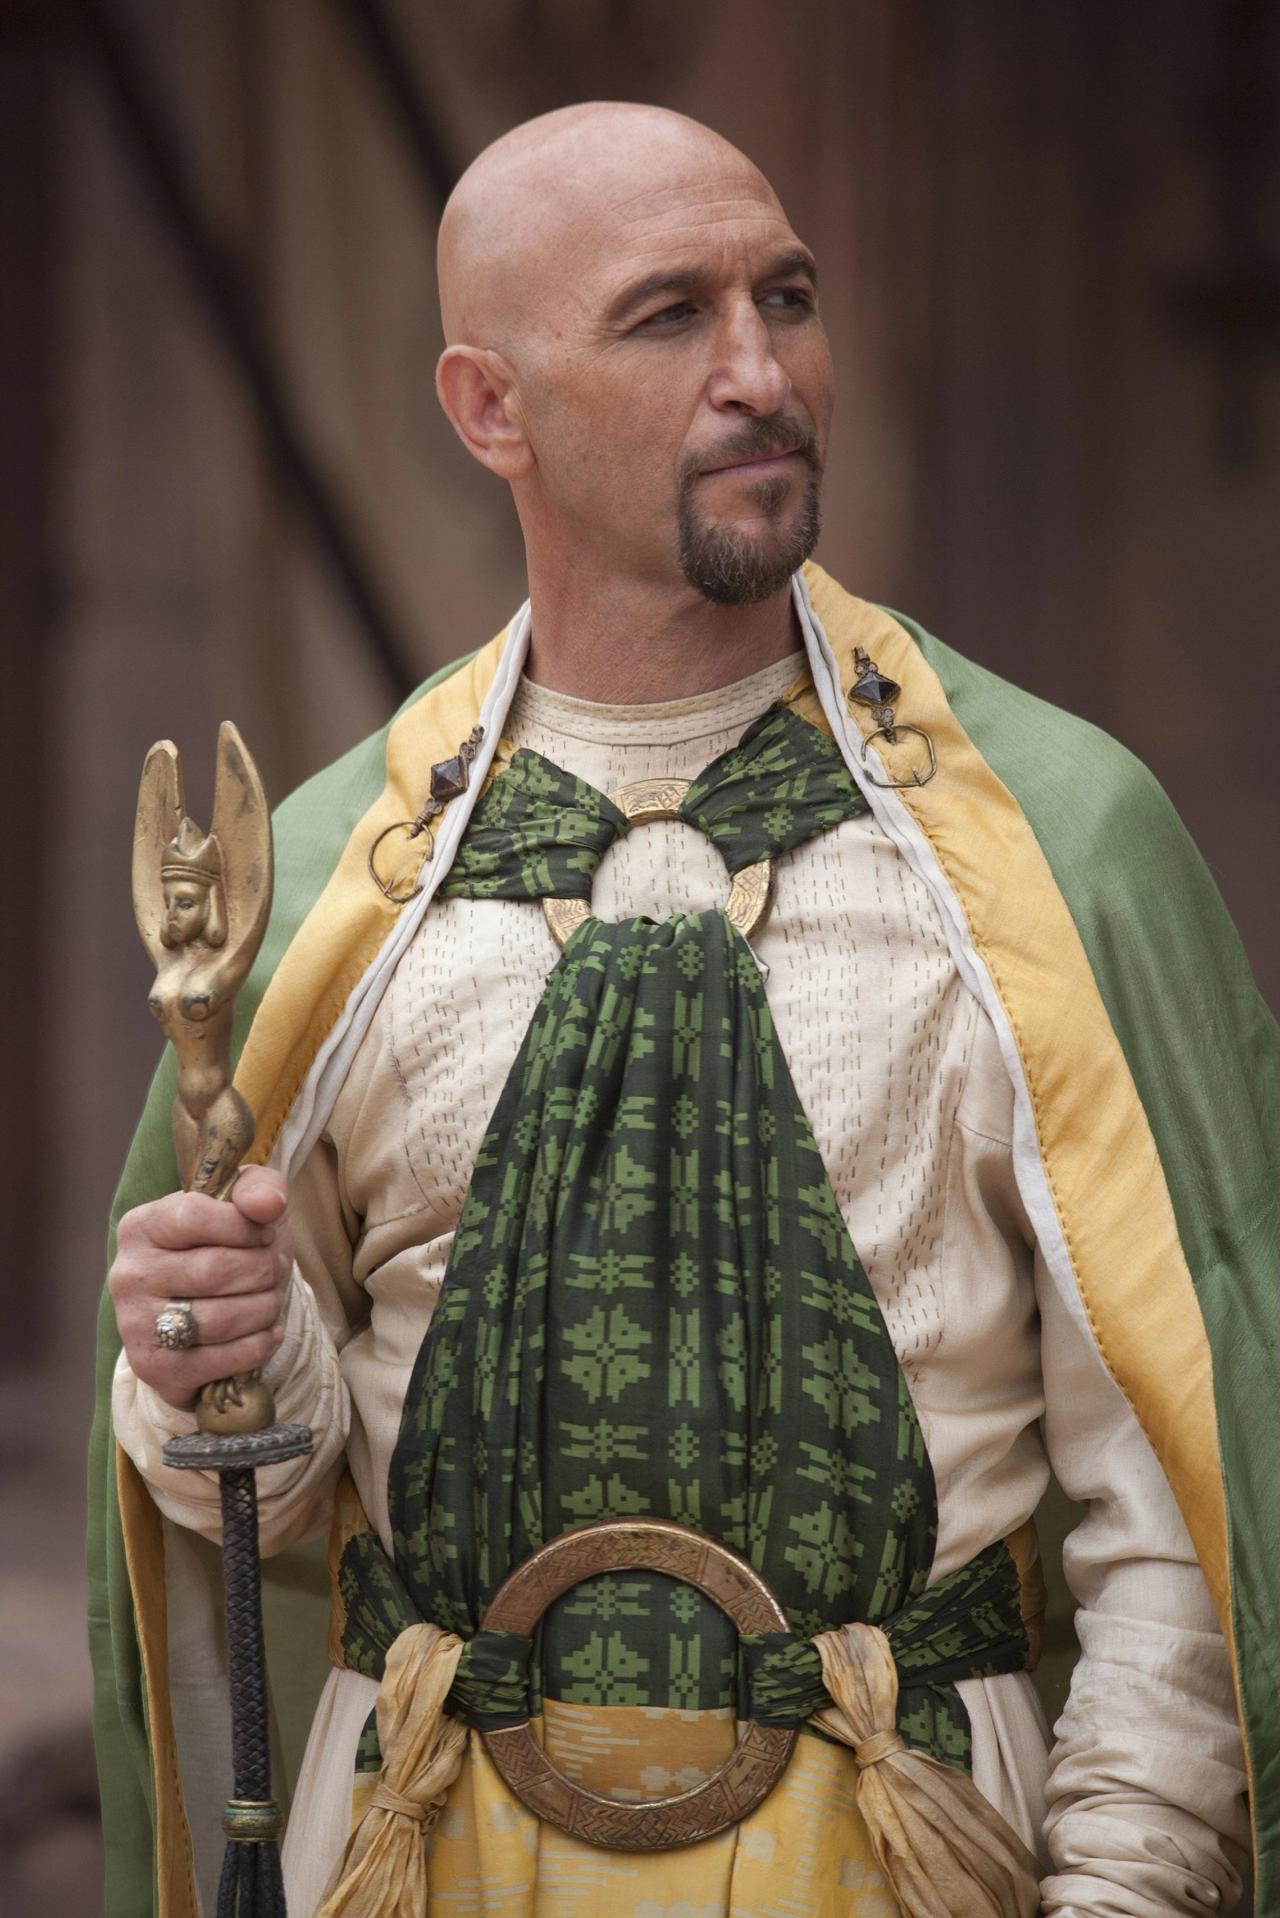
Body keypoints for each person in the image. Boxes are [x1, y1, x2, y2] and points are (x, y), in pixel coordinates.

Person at [91, 103, 1277, 1918]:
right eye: (669, 317)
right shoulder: (341, 888)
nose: (762, 373)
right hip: (421, 1856)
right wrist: (210, 1366)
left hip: (911, 1852)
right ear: (490, 408)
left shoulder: (1046, 851)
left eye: (786, 298)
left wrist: (1122, 1892)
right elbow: (266, 1505)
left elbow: (1182, 1503)